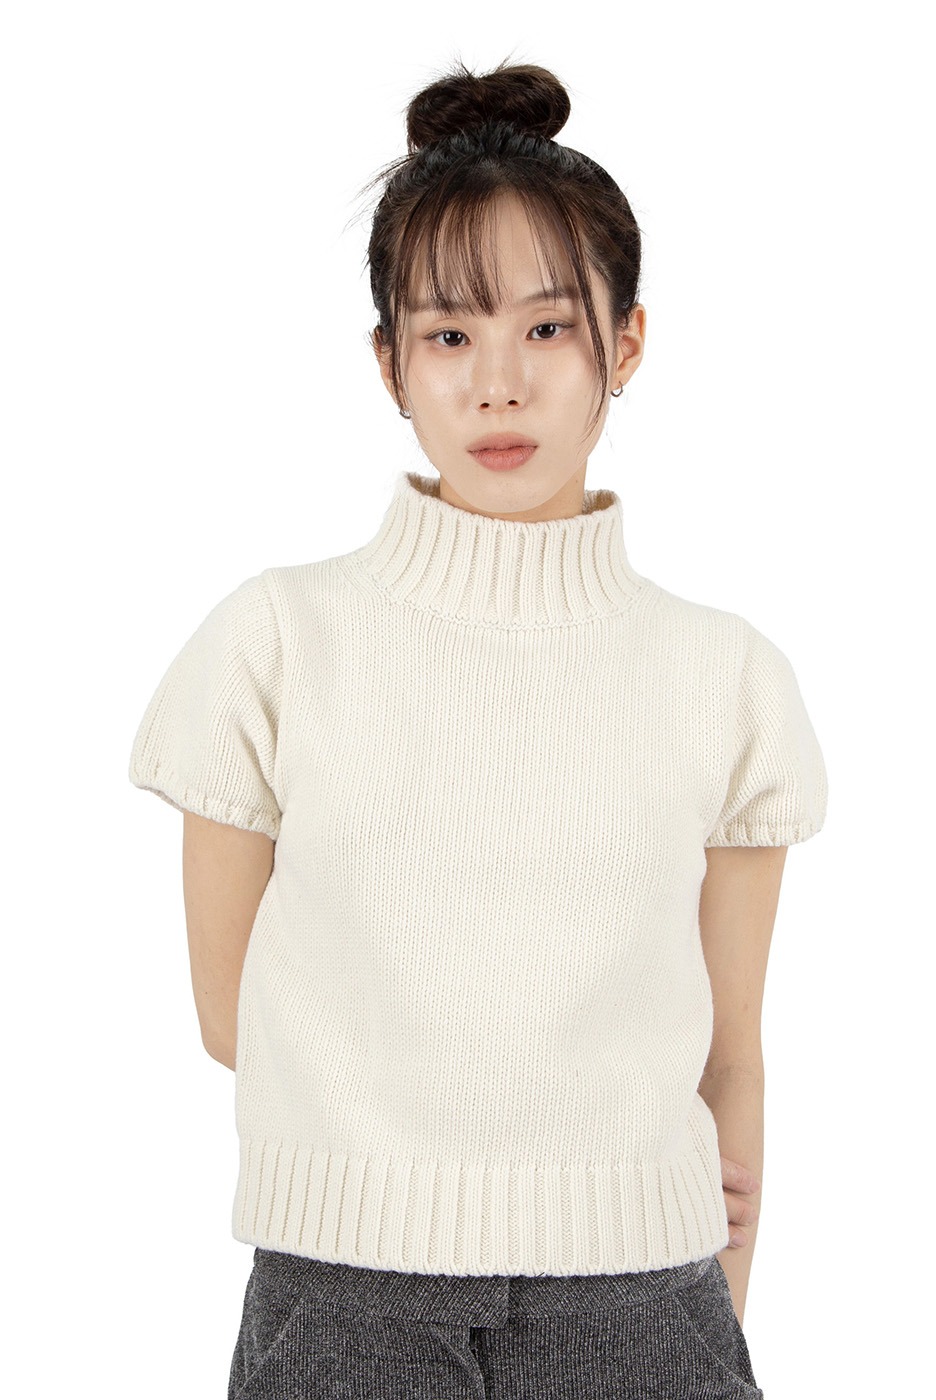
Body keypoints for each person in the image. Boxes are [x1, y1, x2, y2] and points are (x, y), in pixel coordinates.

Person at [128, 57, 828, 1400]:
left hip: (645, 1311)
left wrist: (711, 1307)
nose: (499, 386)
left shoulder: (725, 677)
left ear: (628, 342)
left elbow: (731, 1052)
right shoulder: (276, 641)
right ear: (388, 363)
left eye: (548, 328)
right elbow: (234, 1015)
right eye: (449, 336)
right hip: (345, 1305)